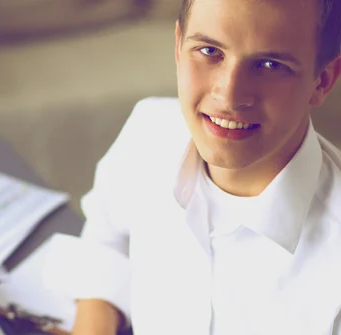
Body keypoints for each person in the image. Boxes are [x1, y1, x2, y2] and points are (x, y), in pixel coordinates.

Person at [66, 0, 341, 334]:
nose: (228, 96)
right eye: (210, 51)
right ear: (179, 47)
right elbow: (106, 237)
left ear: (323, 81)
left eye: (270, 64)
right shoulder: (148, 132)